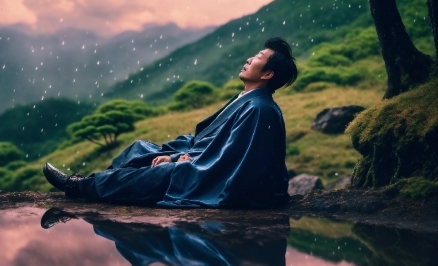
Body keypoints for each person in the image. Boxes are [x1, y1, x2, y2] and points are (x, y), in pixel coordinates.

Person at [43, 36, 298, 208]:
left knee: (161, 172)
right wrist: (183, 154)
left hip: (222, 179)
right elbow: (219, 144)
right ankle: (97, 183)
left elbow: (232, 159)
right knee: (140, 149)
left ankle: (78, 187)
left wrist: (179, 160)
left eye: (257, 58)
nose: (248, 60)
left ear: (267, 74)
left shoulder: (259, 109)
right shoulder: (249, 99)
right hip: (203, 158)